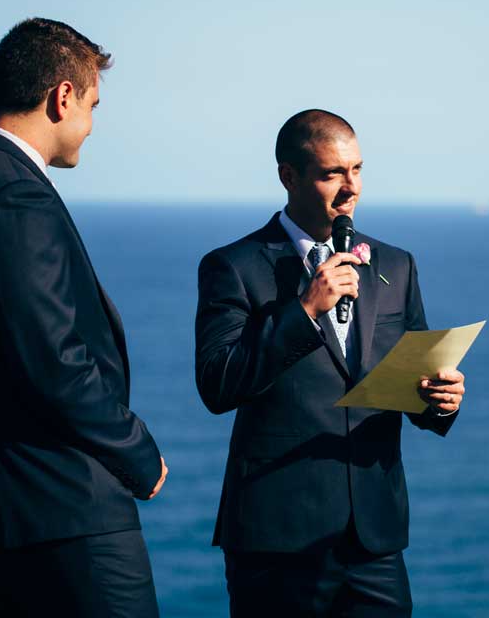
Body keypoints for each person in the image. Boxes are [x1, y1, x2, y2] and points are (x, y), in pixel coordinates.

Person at [0, 18, 168, 617]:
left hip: (10, 515)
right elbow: (54, 360)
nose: (91, 124)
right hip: (66, 511)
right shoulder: (14, 194)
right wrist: (137, 451)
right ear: (62, 97)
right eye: (92, 104)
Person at [194, 109, 466, 616]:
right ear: (288, 176)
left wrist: (441, 403)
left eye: (357, 170)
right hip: (277, 539)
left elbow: (413, 381)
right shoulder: (233, 266)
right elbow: (217, 384)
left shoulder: (396, 265)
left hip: (374, 539)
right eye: (332, 174)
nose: (351, 188)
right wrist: (303, 311)